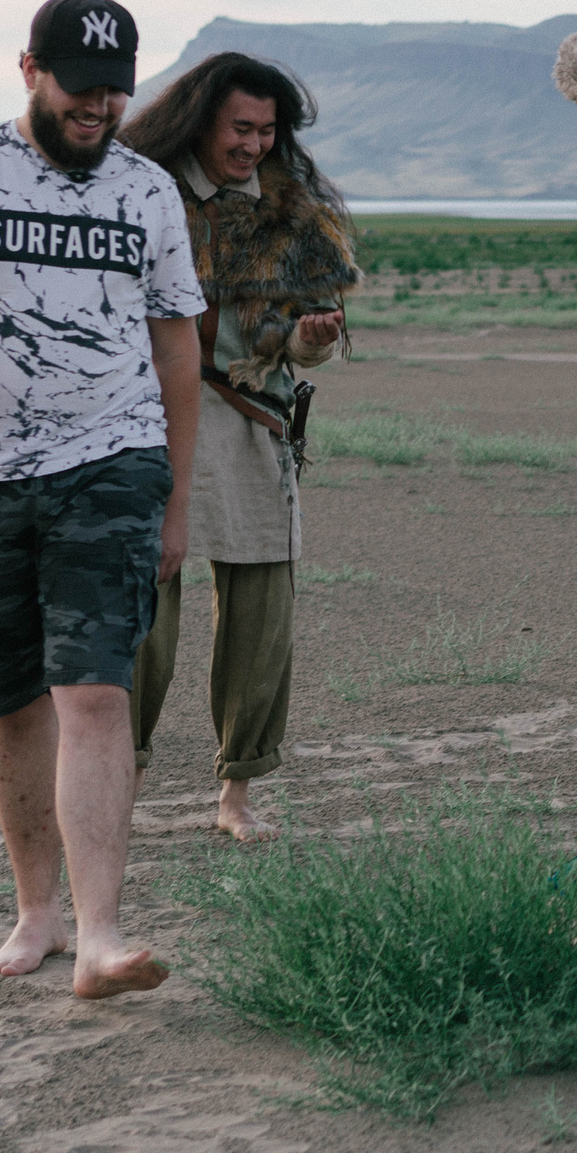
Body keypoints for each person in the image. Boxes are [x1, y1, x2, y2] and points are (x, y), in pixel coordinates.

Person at [0, 0, 204, 997]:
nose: (99, 108)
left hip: (114, 463)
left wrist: (177, 501)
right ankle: (41, 916)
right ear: (29, 68)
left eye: (116, 91)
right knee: (14, 700)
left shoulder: (148, 194)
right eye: (81, 87)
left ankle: (105, 935)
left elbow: (177, 350)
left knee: (96, 690)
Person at [120, 54, 358, 841]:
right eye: (240, 128)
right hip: (145, 422)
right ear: (201, 123)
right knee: (141, 611)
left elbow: (311, 340)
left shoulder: (295, 213)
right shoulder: (137, 190)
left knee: (261, 613)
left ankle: (236, 796)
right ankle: (121, 777)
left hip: (252, 420)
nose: (256, 144)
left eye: (268, 130)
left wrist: (309, 339)